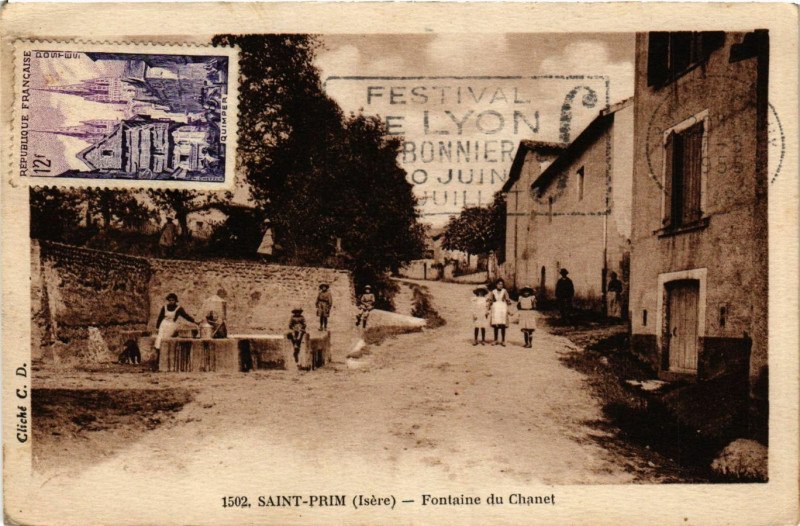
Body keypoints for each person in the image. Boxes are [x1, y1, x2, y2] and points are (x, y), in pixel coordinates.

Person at [488, 279, 512, 346]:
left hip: (502, 308)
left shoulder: (504, 291)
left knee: (502, 324)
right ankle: (495, 340)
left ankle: (503, 340)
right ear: (496, 285)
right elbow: (490, 300)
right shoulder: (493, 292)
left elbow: (507, 300)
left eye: (502, 284)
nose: (500, 285)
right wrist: (488, 309)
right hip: (495, 308)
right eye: (499, 284)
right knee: (496, 324)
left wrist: (509, 308)